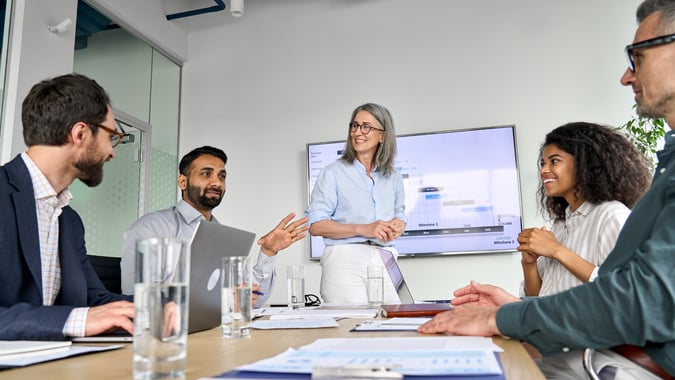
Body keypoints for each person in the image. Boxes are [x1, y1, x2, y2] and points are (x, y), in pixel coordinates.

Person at [419, 1, 675, 378]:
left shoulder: (612, 213)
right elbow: (612, 289)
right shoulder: (666, 169)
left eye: (637, 56)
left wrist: (504, 317)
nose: (626, 76)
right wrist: (509, 308)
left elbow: (640, 302)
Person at [0, 73, 134, 341]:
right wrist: (74, 320)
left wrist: (167, 304)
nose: (112, 152)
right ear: (81, 133)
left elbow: (95, 300)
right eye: (112, 136)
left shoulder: (68, 220)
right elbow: (83, 316)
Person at [120, 146, 308, 307]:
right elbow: (139, 301)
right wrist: (222, 303)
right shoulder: (151, 228)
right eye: (206, 173)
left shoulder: (220, 235)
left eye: (222, 176)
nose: (217, 182)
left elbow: (252, 300)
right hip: (169, 340)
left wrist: (268, 252)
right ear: (182, 182)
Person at [519, 122, 651, 297]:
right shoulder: (560, 225)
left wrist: (556, 250)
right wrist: (529, 263)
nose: (543, 170)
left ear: (585, 164)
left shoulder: (611, 216)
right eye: (543, 163)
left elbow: (626, 288)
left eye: (554, 161)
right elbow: (536, 297)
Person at [306, 103, 407, 304]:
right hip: (344, 259)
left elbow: (400, 216)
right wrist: (364, 229)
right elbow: (316, 226)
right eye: (354, 125)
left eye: (366, 127)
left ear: (382, 136)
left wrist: (398, 225)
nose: (357, 132)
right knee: (352, 324)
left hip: (384, 257)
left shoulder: (393, 176)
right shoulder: (332, 173)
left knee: (393, 323)